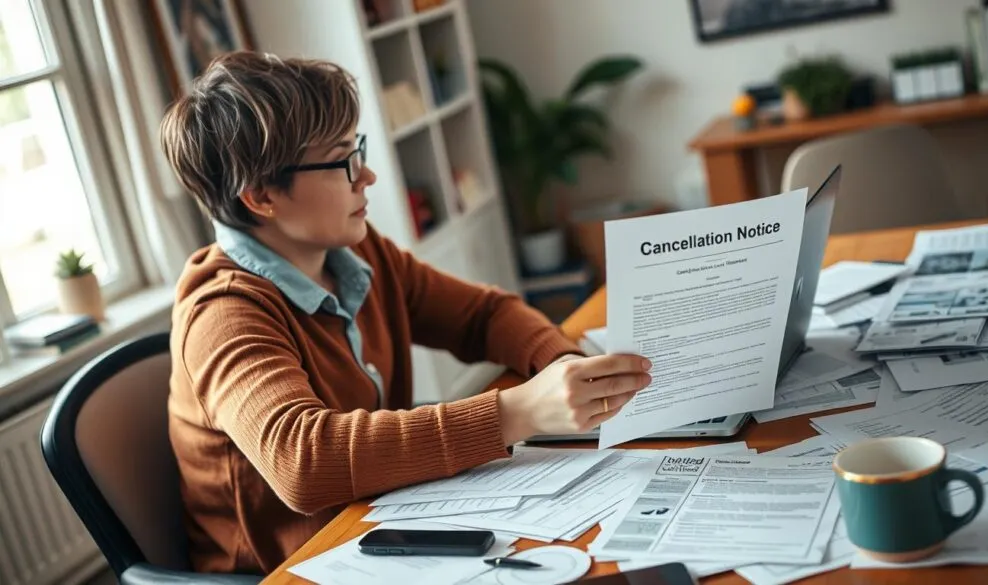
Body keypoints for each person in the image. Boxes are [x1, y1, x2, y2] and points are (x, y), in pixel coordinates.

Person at [160, 50, 651, 575]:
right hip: (298, 564)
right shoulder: (223, 314)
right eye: (342, 159)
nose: (366, 176)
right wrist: (519, 411)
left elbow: (482, 315)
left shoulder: (355, 252)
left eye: (359, 149)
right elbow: (302, 462)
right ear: (261, 196)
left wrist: (568, 369)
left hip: (384, 524)